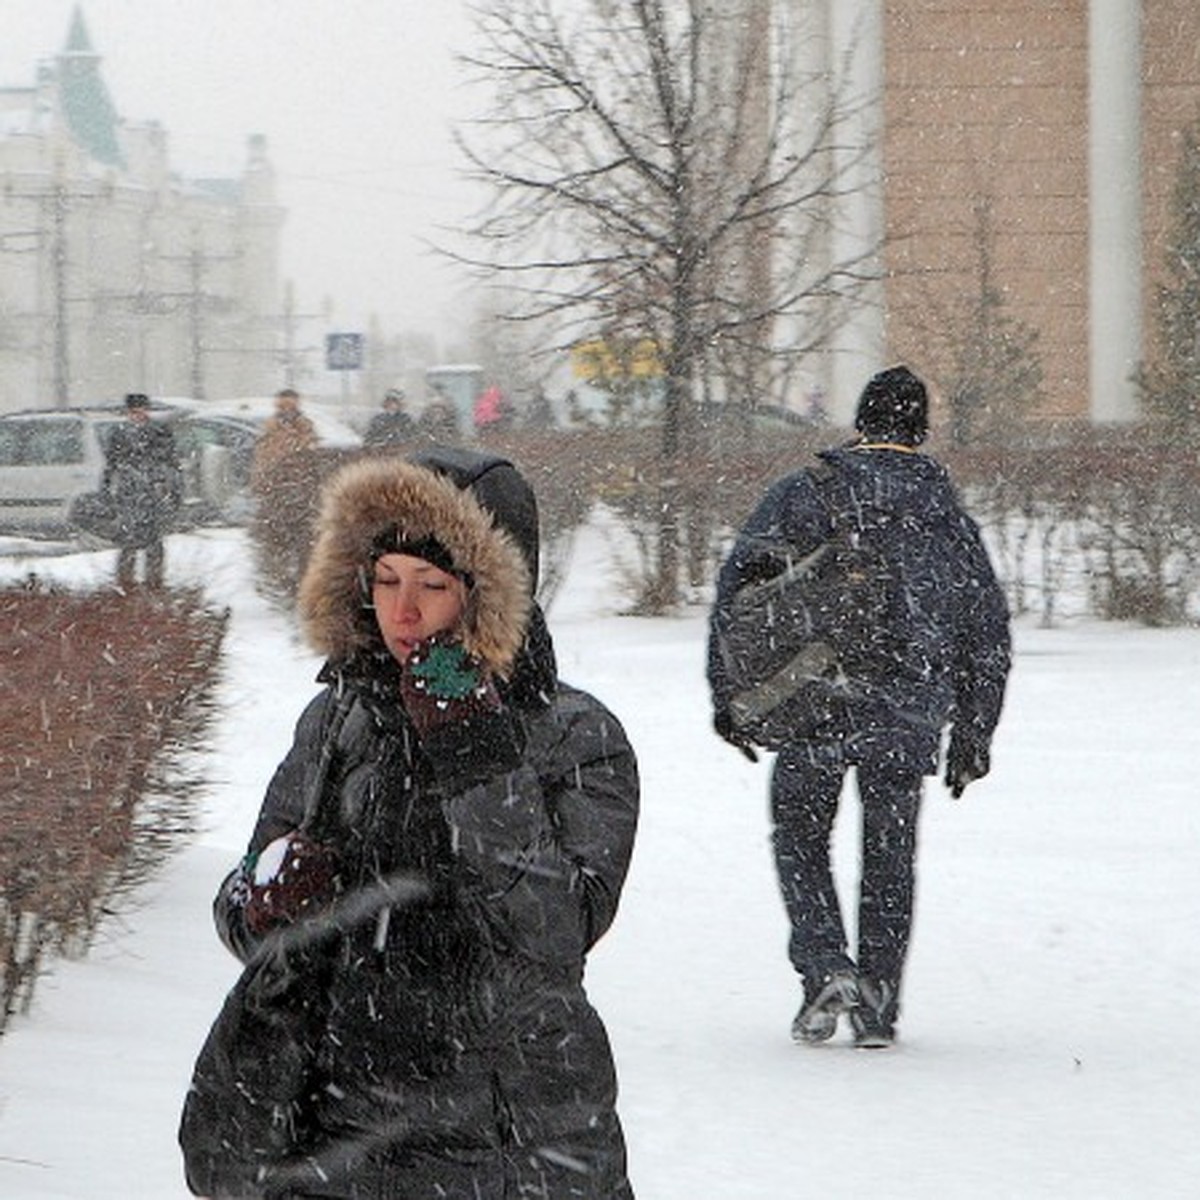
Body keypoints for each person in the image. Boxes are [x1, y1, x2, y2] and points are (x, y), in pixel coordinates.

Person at [206, 448, 639, 1195]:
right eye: (385, 581)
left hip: (509, 1140)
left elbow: (556, 931)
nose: (402, 612)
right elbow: (244, 911)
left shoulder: (575, 736)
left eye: (432, 585)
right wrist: (266, 898)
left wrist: (473, 753)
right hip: (338, 1134)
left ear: (490, 596)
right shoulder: (338, 719)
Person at [707, 364, 1011, 1049]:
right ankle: (877, 1003)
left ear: (861, 422)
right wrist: (974, 733)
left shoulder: (804, 493)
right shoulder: (948, 518)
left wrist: (730, 696)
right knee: (890, 855)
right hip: (907, 711)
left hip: (815, 698)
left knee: (800, 837)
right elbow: (986, 633)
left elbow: (738, 595)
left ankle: (823, 968)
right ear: (921, 430)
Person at [100, 392, 182, 589]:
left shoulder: (159, 431)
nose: (138, 415)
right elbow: (111, 464)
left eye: (141, 410)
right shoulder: (119, 433)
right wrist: (106, 489)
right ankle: (125, 583)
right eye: (133, 412)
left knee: (154, 540)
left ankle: (155, 582)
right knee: (129, 541)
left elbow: (171, 462)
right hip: (129, 493)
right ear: (128, 413)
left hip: (152, 493)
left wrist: (171, 489)